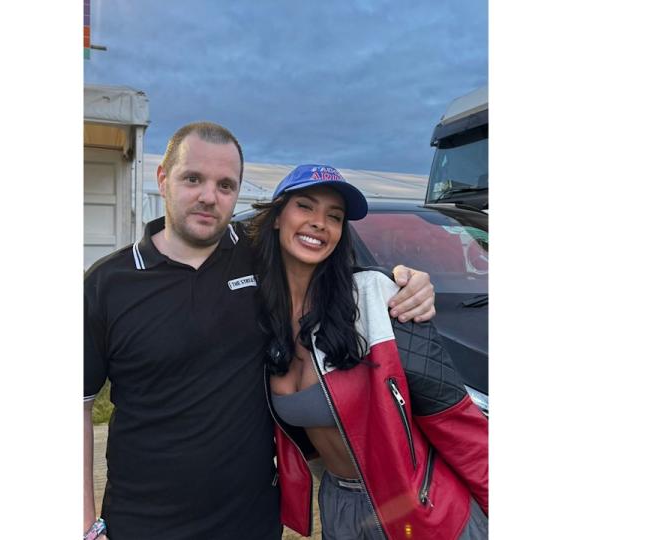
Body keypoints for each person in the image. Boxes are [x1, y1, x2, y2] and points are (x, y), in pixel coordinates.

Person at [83, 122, 437, 540]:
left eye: (226, 185)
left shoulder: (259, 260)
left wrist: (408, 281)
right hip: (144, 522)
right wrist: (86, 526)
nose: (209, 197)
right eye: (193, 179)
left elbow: (328, 267)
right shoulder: (108, 283)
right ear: (163, 177)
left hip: (250, 520)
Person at [247, 164, 489, 539]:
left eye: (335, 216)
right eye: (305, 207)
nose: (319, 222)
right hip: (339, 505)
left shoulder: (374, 296)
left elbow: (452, 416)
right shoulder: (257, 314)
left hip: (421, 507)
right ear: (278, 216)